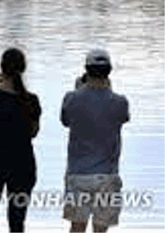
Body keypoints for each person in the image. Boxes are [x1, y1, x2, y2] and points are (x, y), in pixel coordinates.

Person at [61, 49, 129, 233]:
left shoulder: (71, 98)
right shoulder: (120, 102)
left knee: (77, 228)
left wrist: (79, 90)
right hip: (107, 175)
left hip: (78, 174)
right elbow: (122, 118)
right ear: (109, 71)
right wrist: (108, 90)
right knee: (101, 229)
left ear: (86, 70)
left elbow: (66, 121)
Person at [0, 48, 41, 232]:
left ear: (2, 68)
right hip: (22, 165)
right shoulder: (31, 100)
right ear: (23, 69)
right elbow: (33, 132)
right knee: (17, 222)